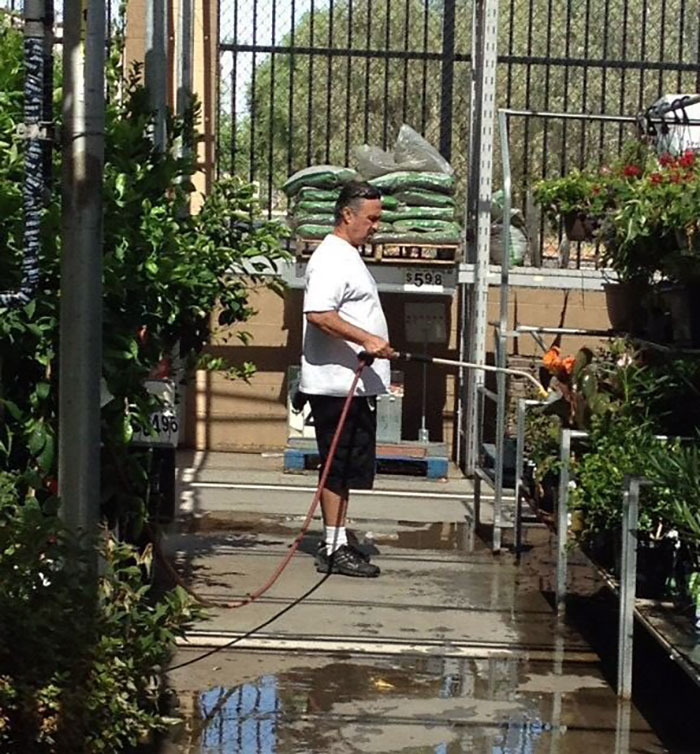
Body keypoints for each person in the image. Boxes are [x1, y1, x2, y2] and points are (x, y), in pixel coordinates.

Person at [300, 181, 395, 578]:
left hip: (352, 386)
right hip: (337, 385)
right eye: (371, 218)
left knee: (349, 465)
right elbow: (318, 314)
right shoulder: (331, 259)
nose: (376, 226)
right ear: (347, 215)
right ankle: (333, 546)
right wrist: (367, 339)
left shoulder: (349, 256)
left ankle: (338, 536)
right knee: (336, 467)